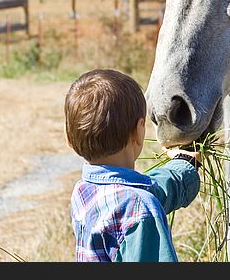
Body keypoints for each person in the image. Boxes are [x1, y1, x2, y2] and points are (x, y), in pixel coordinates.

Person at [64, 68, 201, 262]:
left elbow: (149, 190)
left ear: (68, 138)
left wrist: (184, 165)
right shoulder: (140, 209)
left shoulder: (84, 192)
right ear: (138, 131)